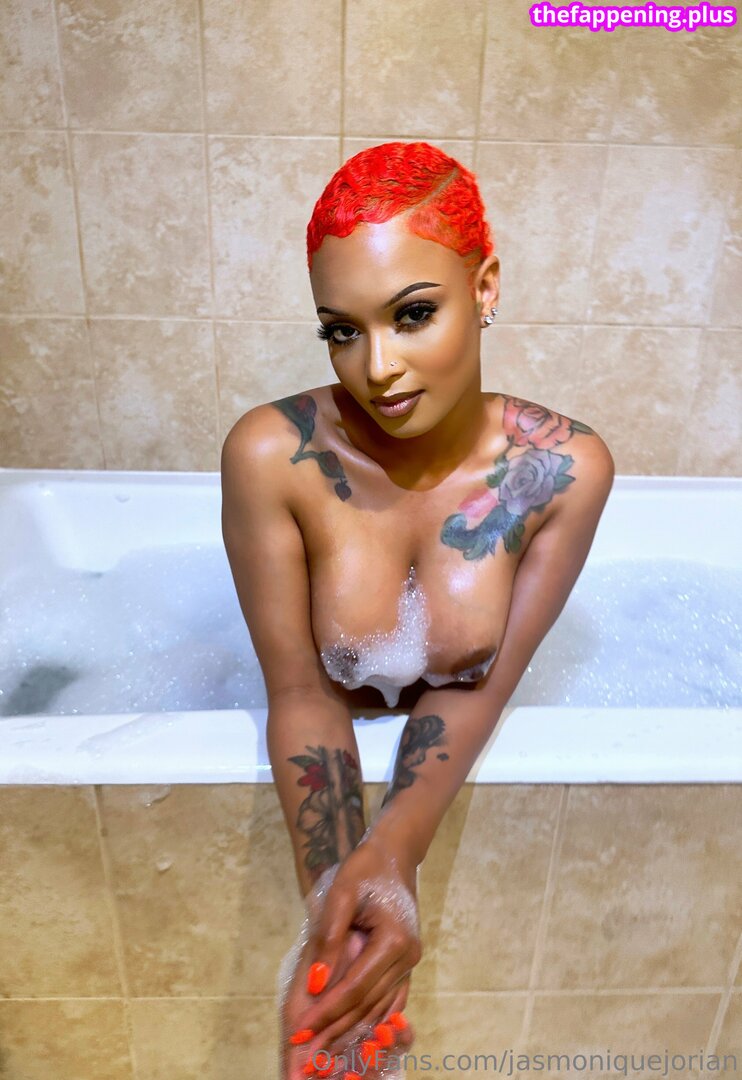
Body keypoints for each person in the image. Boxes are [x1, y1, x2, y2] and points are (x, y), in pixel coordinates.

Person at [220, 141, 615, 1078]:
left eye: (412, 315)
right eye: (341, 331)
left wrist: (395, 853)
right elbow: (302, 693)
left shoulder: (562, 470)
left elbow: (483, 683)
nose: (378, 368)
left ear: (485, 287)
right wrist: (338, 912)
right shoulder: (273, 455)